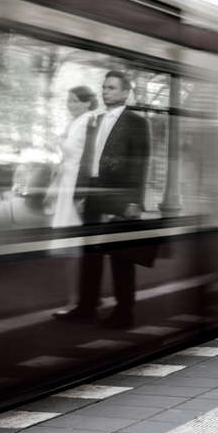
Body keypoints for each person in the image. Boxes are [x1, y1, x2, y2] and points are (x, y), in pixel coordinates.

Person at [53, 70, 150, 328]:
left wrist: (133, 202)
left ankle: (124, 312)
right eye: (104, 87)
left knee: (121, 258)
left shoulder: (137, 122)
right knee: (90, 254)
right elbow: (87, 159)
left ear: (125, 92)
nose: (106, 91)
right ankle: (86, 306)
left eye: (112, 88)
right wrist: (80, 192)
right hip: (92, 193)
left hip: (119, 196)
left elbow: (140, 165)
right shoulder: (94, 120)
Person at [48, 86, 98, 228]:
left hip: (76, 177)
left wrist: (58, 141)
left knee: (70, 220)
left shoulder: (87, 121)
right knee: (63, 218)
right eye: (68, 101)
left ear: (87, 103)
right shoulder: (75, 121)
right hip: (67, 175)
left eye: (75, 101)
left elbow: (76, 151)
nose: (70, 105)